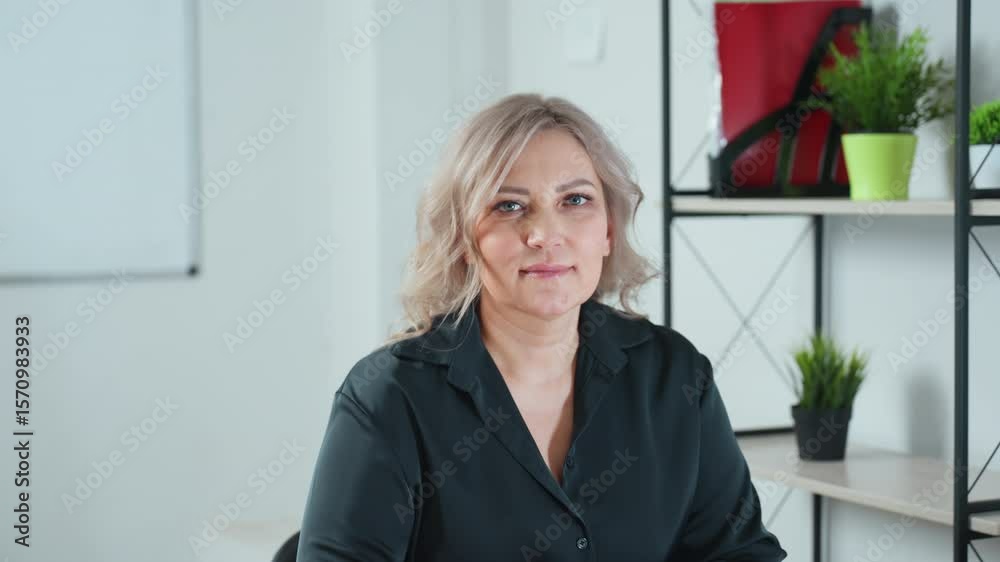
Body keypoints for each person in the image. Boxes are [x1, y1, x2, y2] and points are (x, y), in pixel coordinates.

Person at [296, 93, 787, 561]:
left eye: (575, 200)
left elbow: (740, 553)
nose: (546, 234)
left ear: (609, 230)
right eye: (509, 206)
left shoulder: (675, 376)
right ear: (464, 240)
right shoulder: (389, 397)